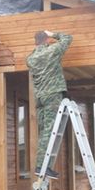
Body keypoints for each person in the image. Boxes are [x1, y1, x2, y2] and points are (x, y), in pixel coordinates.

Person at [26, 30, 73, 179]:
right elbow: (67, 38)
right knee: (50, 130)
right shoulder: (52, 50)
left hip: (39, 97)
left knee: (44, 132)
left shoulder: (31, 58)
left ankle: (44, 165)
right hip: (52, 94)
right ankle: (41, 167)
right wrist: (52, 34)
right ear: (46, 40)